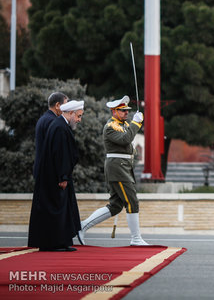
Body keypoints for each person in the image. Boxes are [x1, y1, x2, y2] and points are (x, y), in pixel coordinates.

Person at [78, 95, 148, 246]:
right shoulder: (111, 126)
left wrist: (133, 124)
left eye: (127, 110)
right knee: (132, 201)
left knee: (115, 205)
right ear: (114, 111)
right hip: (118, 168)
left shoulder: (122, 125)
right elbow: (125, 139)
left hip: (122, 167)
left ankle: (82, 226)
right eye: (122, 110)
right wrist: (136, 123)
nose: (126, 113)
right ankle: (136, 239)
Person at [28, 100, 84, 251]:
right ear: (70, 113)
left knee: (62, 209)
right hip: (55, 178)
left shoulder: (60, 125)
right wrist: (63, 177)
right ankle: (52, 244)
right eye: (78, 116)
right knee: (55, 209)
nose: (79, 120)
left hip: (56, 177)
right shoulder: (59, 127)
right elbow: (60, 155)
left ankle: (62, 242)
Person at [33, 92, 68, 178]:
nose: (67, 109)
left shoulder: (43, 119)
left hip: (42, 169)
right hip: (50, 172)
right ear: (57, 105)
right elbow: (56, 150)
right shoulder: (54, 122)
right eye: (65, 105)